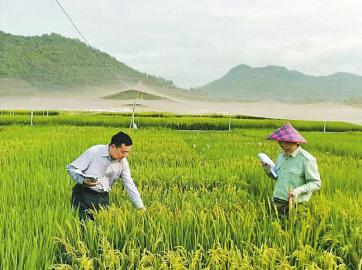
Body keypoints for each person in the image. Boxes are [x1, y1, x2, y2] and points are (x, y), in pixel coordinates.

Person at [67, 131, 145, 220]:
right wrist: (83, 180)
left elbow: (129, 184)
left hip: (103, 197)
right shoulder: (94, 152)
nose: (125, 155)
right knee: (84, 228)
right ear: (113, 147)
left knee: (102, 227)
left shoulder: (123, 163)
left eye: (127, 152)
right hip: (84, 194)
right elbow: (71, 168)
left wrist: (140, 206)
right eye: (123, 152)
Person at [262, 123, 321, 217]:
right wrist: (268, 170)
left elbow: (316, 184)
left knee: (291, 230)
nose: (280, 144)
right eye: (279, 141)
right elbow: (277, 177)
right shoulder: (281, 156)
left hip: (296, 205)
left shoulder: (307, 159)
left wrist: (298, 191)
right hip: (277, 201)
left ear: (294, 141)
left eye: (283, 141)